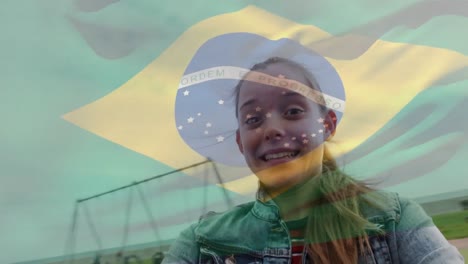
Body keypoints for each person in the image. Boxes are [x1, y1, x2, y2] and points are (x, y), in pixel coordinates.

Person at [164, 34, 464, 264]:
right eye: (253, 119)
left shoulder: (394, 219)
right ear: (241, 142)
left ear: (327, 124)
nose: (271, 129)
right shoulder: (202, 243)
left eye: (293, 111)